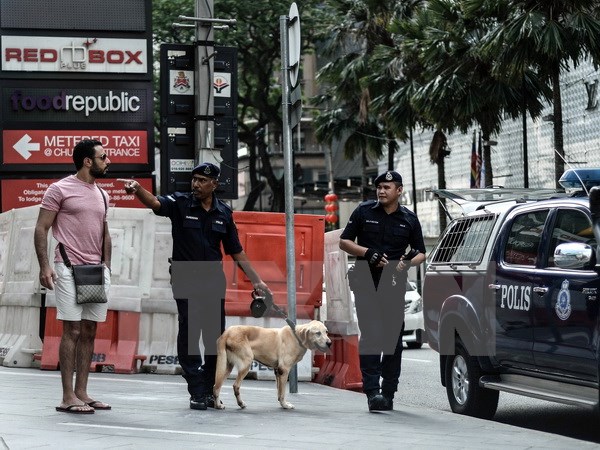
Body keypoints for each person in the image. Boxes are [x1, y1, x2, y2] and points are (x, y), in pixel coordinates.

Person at [119, 162, 270, 410]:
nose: (196, 184)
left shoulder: (224, 212)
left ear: (214, 184)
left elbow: (236, 251)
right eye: (195, 179)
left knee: (214, 337)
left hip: (212, 279)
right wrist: (137, 189)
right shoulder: (180, 203)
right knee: (190, 333)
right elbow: (156, 203)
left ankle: (211, 387)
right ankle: (196, 389)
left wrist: (257, 280)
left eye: (202, 180)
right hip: (185, 276)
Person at [34, 139, 113, 414]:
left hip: (96, 270)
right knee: (73, 330)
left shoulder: (102, 194)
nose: (108, 161)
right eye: (104, 157)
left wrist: (107, 267)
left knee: (90, 330)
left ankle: (82, 392)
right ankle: (67, 396)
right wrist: (45, 267)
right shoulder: (59, 189)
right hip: (67, 268)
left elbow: (105, 233)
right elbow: (41, 228)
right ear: (87, 161)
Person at [339, 170, 426, 412]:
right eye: (379, 187)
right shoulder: (363, 211)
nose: (381, 190)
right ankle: (372, 392)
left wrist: (407, 262)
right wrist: (367, 253)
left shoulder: (409, 218)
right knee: (371, 336)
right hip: (365, 279)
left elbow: (420, 251)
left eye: (387, 187)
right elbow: (344, 241)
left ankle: (388, 392)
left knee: (392, 339)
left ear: (399, 191)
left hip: (393, 282)